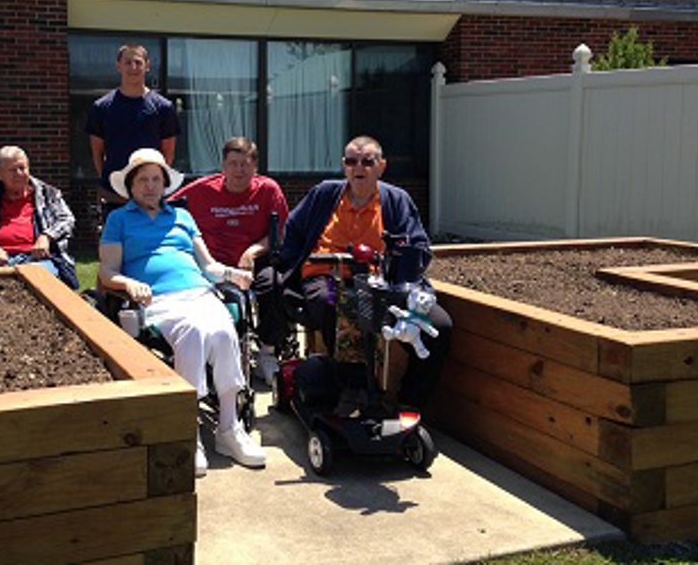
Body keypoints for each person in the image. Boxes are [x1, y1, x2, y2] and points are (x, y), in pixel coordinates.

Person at [98, 148, 266, 477]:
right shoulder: (119, 219)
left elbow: (208, 266)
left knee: (222, 329)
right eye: (143, 180)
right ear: (131, 185)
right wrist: (128, 283)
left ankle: (229, 429)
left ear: (164, 184)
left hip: (198, 291)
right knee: (192, 330)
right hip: (157, 299)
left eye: (156, 179)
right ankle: (189, 433)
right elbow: (106, 272)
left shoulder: (182, 217)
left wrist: (233, 274)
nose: (149, 186)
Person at [272, 135, 451, 410]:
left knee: (440, 326)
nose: (360, 167)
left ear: (381, 166)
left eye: (368, 162)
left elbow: (419, 247)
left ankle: (410, 402)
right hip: (327, 277)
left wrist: (398, 273)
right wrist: (295, 263)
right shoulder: (325, 194)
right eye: (352, 161)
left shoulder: (396, 200)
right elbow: (293, 231)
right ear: (344, 166)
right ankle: (353, 389)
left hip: (382, 282)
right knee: (334, 306)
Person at [169, 136, 289, 384]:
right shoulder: (201, 190)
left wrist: (254, 250)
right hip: (213, 264)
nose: (239, 170)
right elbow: (165, 208)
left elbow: (280, 232)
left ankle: (267, 351)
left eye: (245, 164)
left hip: (255, 262)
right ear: (223, 166)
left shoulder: (268, 190)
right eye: (233, 164)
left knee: (274, 284)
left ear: (255, 168)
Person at [0, 145, 78, 289]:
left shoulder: (48, 194)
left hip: (36, 260)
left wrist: (47, 236)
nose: (19, 174)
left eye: (22, 168)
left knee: (43, 286)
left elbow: (67, 219)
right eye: (12, 170)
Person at [85, 43, 181, 217]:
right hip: (113, 197)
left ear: (147, 65)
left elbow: (168, 153)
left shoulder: (163, 107)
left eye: (138, 62)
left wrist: (154, 185)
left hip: (150, 196)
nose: (133, 67)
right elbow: (97, 153)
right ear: (118, 66)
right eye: (128, 62)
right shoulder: (102, 107)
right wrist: (114, 184)